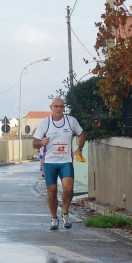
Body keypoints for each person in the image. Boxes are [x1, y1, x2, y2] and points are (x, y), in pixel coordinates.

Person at [33, 97, 86, 230]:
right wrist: (41, 143)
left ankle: (65, 213)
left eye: (61, 107)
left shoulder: (71, 121)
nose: (58, 109)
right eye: (56, 106)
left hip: (65, 161)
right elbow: (34, 143)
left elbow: (82, 134)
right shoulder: (46, 123)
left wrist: (79, 149)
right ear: (51, 108)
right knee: (52, 192)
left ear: (64, 108)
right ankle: (53, 218)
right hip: (50, 162)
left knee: (68, 188)